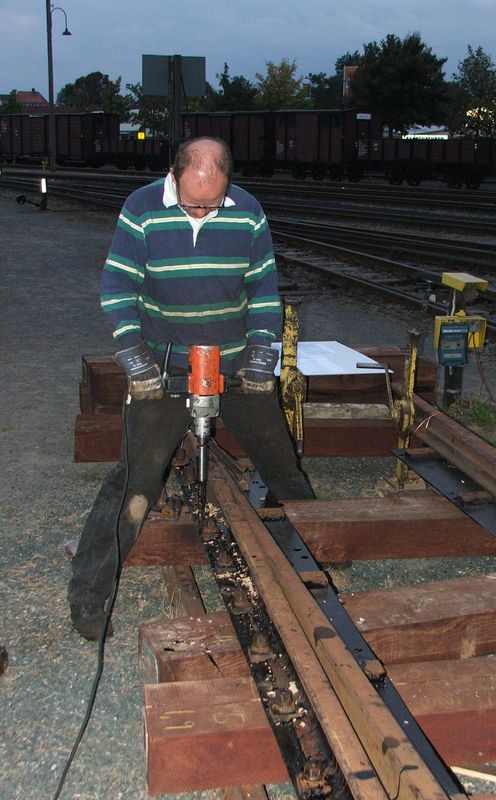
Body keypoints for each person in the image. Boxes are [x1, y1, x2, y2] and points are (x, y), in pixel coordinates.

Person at [69, 137, 313, 641]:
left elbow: (264, 289)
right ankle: (89, 601)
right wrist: (133, 353)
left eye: (212, 202)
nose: (202, 210)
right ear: (173, 174)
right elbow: (118, 288)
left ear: (228, 180)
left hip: (236, 360)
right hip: (166, 363)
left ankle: (324, 547)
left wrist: (264, 349)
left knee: (281, 463)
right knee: (133, 481)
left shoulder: (247, 211)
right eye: (192, 202)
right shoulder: (141, 210)